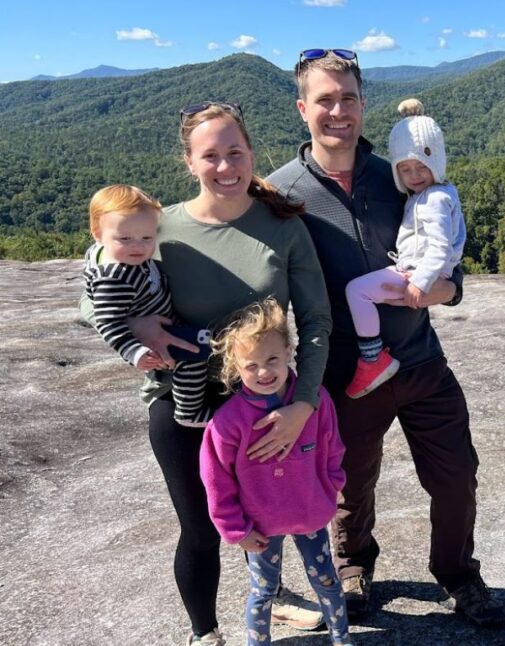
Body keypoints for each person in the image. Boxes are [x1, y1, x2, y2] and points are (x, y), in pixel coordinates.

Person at [268, 48, 505, 628]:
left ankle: (457, 574)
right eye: (324, 100)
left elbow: (449, 259)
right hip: (347, 371)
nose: (338, 111)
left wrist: (445, 292)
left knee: (456, 475)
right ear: (303, 108)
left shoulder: (401, 173)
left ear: (363, 103)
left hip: (421, 359)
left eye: (348, 98)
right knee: (349, 482)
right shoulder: (280, 192)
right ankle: (354, 568)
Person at [81, 101, 332, 645]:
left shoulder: (283, 226)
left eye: (234, 153)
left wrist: (303, 404)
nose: (225, 166)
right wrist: (143, 327)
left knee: (266, 517)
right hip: (181, 405)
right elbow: (93, 292)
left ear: (251, 154)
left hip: (264, 403)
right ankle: (205, 634)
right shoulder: (158, 226)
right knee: (201, 528)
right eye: (210, 156)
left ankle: (273, 595)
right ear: (189, 162)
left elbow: (315, 321)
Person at [199, 298, 353, 646]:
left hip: (311, 514)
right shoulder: (228, 422)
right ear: (235, 366)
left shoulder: (315, 400)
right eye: (250, 365)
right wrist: (236, 530)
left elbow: (333, 447)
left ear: (289, 351)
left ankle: (343, 639)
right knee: (263, 590)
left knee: (327, 581)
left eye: (272, 359)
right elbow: (216, 479)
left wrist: (331, 488)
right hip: (260, 527)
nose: (263, 372)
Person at [343, 98, 466, 399]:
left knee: (356, 291)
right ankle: (373, 358)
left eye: (421, 166)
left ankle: (372, 359)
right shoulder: (430, 194)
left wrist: (421, 284)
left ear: (436, 162)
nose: (414, 176)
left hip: (415, 274)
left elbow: (438, 247)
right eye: (405, 169)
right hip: (414, 270)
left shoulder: (434, 199)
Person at [82, 184, 213, 427]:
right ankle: (189, 411)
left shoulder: (115, 256)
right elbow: (108, 322)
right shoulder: (114, 276)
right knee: (192, 357)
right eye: (125, 239)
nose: (138, 247)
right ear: (97, 234)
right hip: (157, 338)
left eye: (147, 238)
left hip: (160, 319)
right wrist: (135, 352)